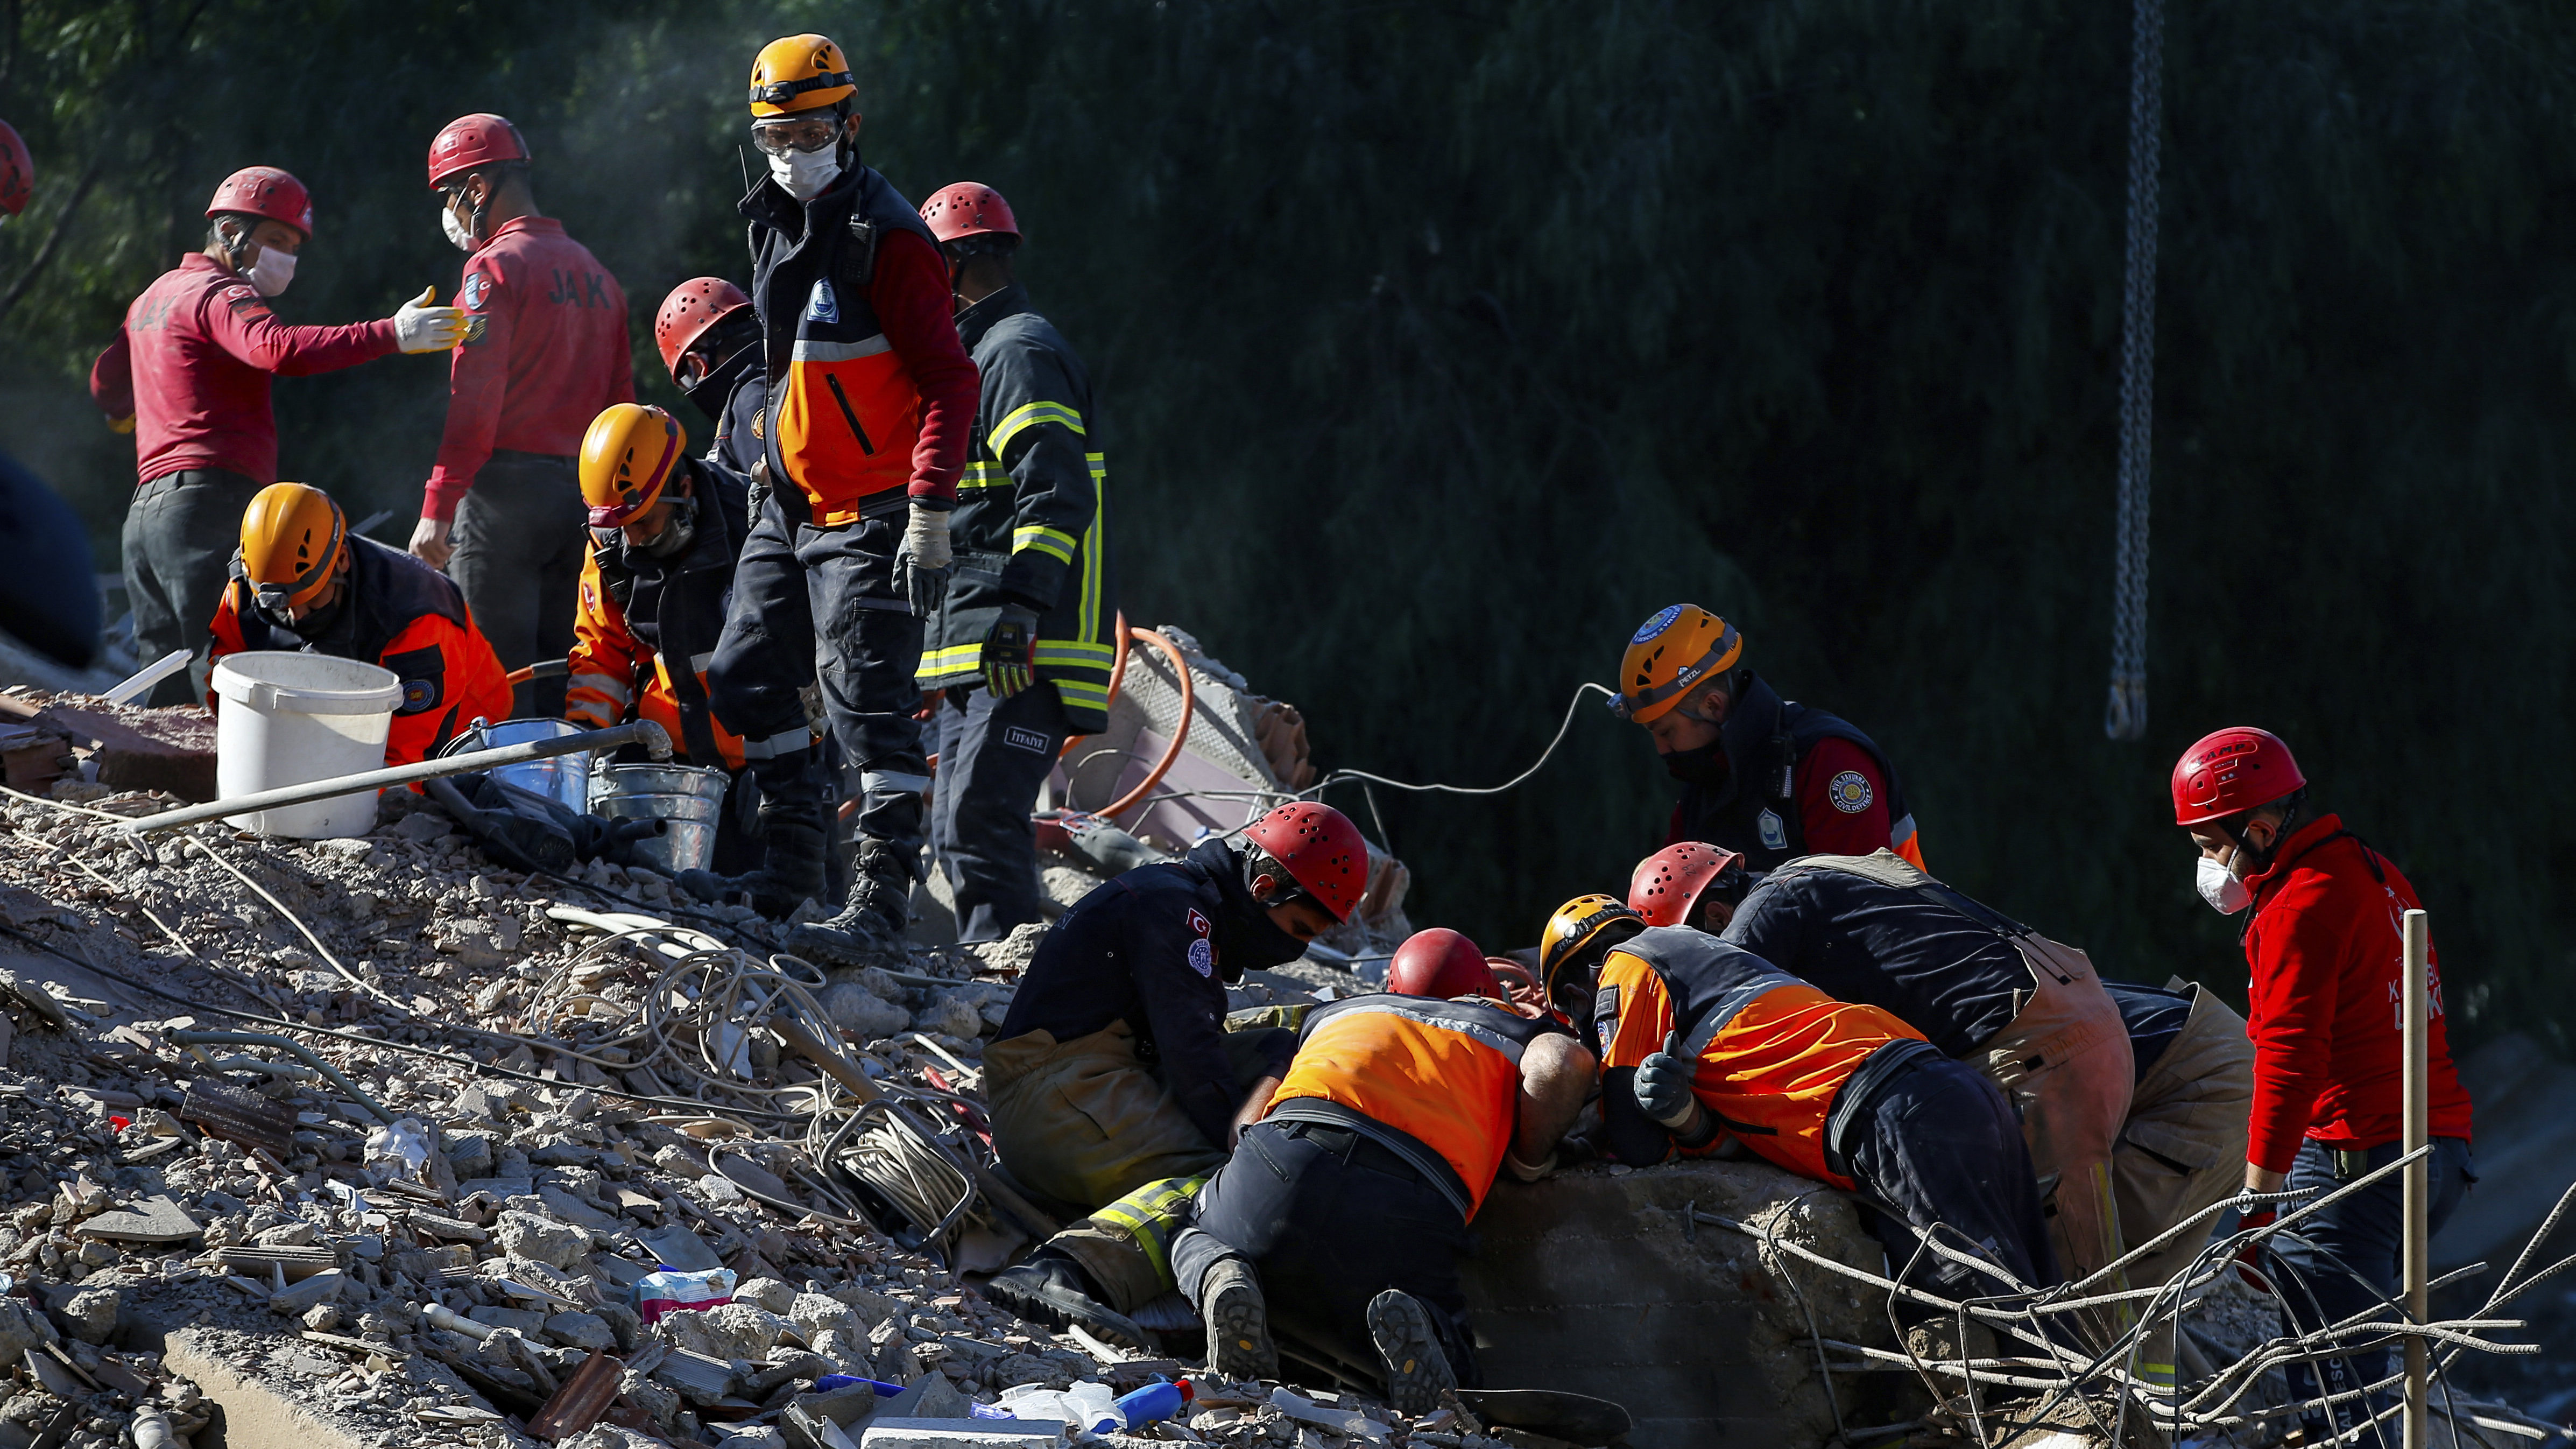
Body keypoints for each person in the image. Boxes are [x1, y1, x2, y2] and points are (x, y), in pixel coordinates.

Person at [705, 36, 982, 968]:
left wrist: (930, 506)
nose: (794, 147)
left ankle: (878, 901)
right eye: (777, 131)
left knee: (865, 694)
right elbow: (793, 370)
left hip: (867, 508)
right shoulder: (771, 218)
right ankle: (789, 871)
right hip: (786, 501)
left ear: (850, 126)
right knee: (744, 668)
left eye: (813, 127)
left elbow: (950, 380)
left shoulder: (889, 237)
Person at [984, 914, 1498, 1351]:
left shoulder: (1341, 1019)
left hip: (1074, 1096)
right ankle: (1064, 1274)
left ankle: (1204, 1289)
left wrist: (1247, 1136)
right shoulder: (1487, 1051)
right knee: (1212, 1192)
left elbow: (1245, 1063)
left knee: (1239, 1196)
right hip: (1097, 1105)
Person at [2173, 726, 2474, 1441]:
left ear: (2256, 829)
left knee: (2339, 1396)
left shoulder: (2294, 908)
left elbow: (2287, 1067)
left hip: (2354, 1162)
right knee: (2372, 1373)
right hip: (2437, 1153)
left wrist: (2253, 1211)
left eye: (2210, 846)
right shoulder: (2375, 873)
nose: (2208, 866)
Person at [1542, 895, 2057, 1310]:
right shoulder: (1710, 957)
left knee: (1993, 1305)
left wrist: (1637, 1127)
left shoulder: (1626, 967)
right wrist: (1693, 1122)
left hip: (1885, 1113)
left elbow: (1634, 1141)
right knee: (2041, 1297)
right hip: (1943, 1087)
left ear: (1575, 996)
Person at [89, 166, 462, 705]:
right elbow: (278, 348)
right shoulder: (218, 293)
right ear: (229, 234)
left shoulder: (152, 298)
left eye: (293, 245)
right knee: (229, 669)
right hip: (208, 504)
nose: (286, 256)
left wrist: (135, 410)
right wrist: (392, 335)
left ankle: (166, 788)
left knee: (162, 684)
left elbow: (106, 387)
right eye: (275, 239)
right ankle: (244, 790)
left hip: (146, 518)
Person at [1170, 989, 1595, 1408]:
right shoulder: (1512, 1031)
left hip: (1283, 1155)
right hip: (1410, 1197)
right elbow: (1564, 1062)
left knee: (1191, 1232)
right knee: (1455, 1366)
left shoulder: (1340, 1012)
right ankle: (1416, 1320)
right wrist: (1527, 1162)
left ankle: (1221, 1273)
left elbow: (1240, 1130)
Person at [984, 801, 1365, 1213]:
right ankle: (1077, 1268)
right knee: (1234, 1190)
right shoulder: (1172, 910)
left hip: (1104, 1071)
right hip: (1049, 1098)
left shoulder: (1190, 903)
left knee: (1276, 1050)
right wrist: (1244, 1150)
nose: (1297, 949)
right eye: (1299, 930)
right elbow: (1190, 1049)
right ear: (1263, 890)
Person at [915, 181, 1116, 943]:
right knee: (953, 825)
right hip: (985, 645)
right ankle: (991, 985)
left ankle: (1005, 1002)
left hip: (1023, 643)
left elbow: (1055, 495)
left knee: (981, 817)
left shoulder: (1016, 353)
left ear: (950, 266)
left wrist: (1019, 613)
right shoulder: (978, 358)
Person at [409, 114, 632, 719]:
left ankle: (500, 810)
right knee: (565, 675)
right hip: (584, 507)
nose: (450, 215)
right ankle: (558, 809)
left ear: (477, 190)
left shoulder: (491, 271)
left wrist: (438, 506)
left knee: (494, 680)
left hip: (503, 502)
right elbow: (622, 414)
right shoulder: (598, 277)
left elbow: (473, 402)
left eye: (450, 197)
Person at [565, 404, 821, 897]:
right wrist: (584, 760)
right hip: (669, 774)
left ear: (683, 489)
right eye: (623, 528)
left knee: (788, 917)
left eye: (644, 523)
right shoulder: (608, 540)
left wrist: (788, 774)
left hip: (764, 770)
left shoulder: (756, 524)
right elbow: (601, 657)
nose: (633, 541)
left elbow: (812, 653)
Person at [209, 483, 508, 765]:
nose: (298, 618)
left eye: (312, 601)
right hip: (344, 723)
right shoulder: (243, 594)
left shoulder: (415, 614)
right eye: (281, 607)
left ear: (341, 561)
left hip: (462, 731)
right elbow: (225, 690)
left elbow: (409, 759)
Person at [1611, 604, 1922, 870]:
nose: (1662, 750)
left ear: (1713, 707)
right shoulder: (1705, 785)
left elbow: (1856, 909)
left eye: (1666, 732)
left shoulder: (1828, 759)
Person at [654, 278, 767, 477]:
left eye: (686, 377)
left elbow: (782, 500)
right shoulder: (779, 375)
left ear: (697, 364)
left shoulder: (749, 401)